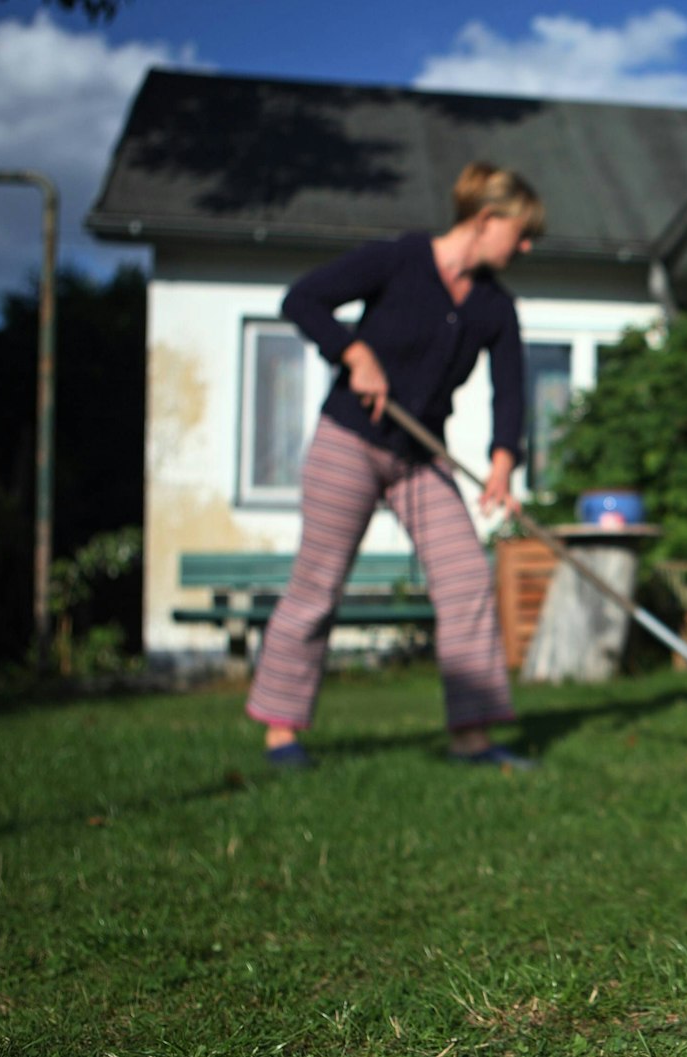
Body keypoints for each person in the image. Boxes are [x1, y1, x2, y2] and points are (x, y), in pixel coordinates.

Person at [244, 161, 543, 769]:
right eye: (523, 231)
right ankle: (283, 735)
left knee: (465, 581)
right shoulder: (401, 259)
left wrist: (502, 464)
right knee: (318, 586)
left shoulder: (494, 307)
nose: (528, 245)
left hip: (419, 456)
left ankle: (472, 739)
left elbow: (509, 390)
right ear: (487, 221)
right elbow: (303, 300)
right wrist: (354, 351)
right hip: (349, 440)